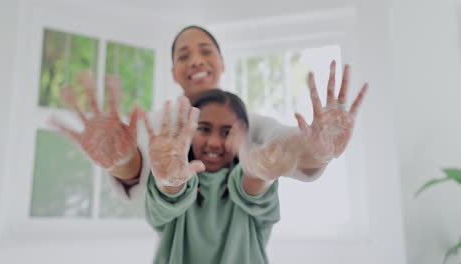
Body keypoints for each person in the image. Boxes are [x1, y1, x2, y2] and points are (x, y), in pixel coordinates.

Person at [52, 25, 368, 199]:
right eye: (184, 56)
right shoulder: (158, 125)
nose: (196, 61)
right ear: (174, 73)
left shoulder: (249, 122)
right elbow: (137, 171)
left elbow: (285, 143)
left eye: (206, 52)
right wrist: (122, 160)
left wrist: (317, 150)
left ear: (221, 63)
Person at [143, 89, 287, 264]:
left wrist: (261, 163)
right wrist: (168, 181)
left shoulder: (246, 181)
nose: (214, 143)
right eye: (204, 129)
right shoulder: (178, 181)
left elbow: (255, 184)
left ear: (243, 135)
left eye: (226, 132)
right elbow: (172, 193)